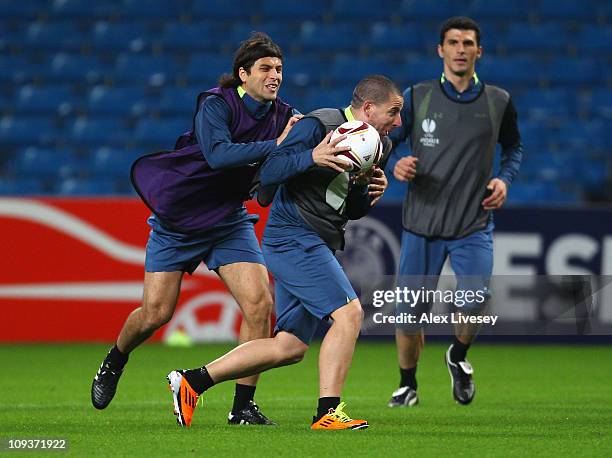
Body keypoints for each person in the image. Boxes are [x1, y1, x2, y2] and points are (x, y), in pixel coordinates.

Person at [166, 75, 402, 430]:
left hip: (319, 240)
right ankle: (327, 413)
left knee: (289, 347)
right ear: (367, 109)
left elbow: (349, 209)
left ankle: (193, 382)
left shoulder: (377, 145)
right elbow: (269, 172)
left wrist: (367, 189)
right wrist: (313, 155)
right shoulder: (319, 125)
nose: (398, 122)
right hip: (292, 236)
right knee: (350, 315)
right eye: (393, 112)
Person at [91, 32, 300, 426]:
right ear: (244, 74)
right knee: (155, 314)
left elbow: (280, 170)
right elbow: (218, 155)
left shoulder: (284, 115)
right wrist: (278, 144)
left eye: (279, 69)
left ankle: (242, 407)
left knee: (260, 305)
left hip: (227, 220)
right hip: (179, 220)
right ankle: (115, 358)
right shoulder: (215, 104)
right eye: (266, 69)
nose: (275, 76)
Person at [386, 16, 524, 408]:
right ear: (440, 50)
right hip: (422, 223)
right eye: (453, 42)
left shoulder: (498, 101)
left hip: (472, 222)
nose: (460, 49)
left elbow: (514, 148)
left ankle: (457, 357)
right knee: (408, 316)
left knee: (476, 299)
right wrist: (397, 161)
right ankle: (407, 383)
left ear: (478, 51)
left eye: (468, 43)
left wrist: (505, 179)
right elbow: (387, 140)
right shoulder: (418, 96)